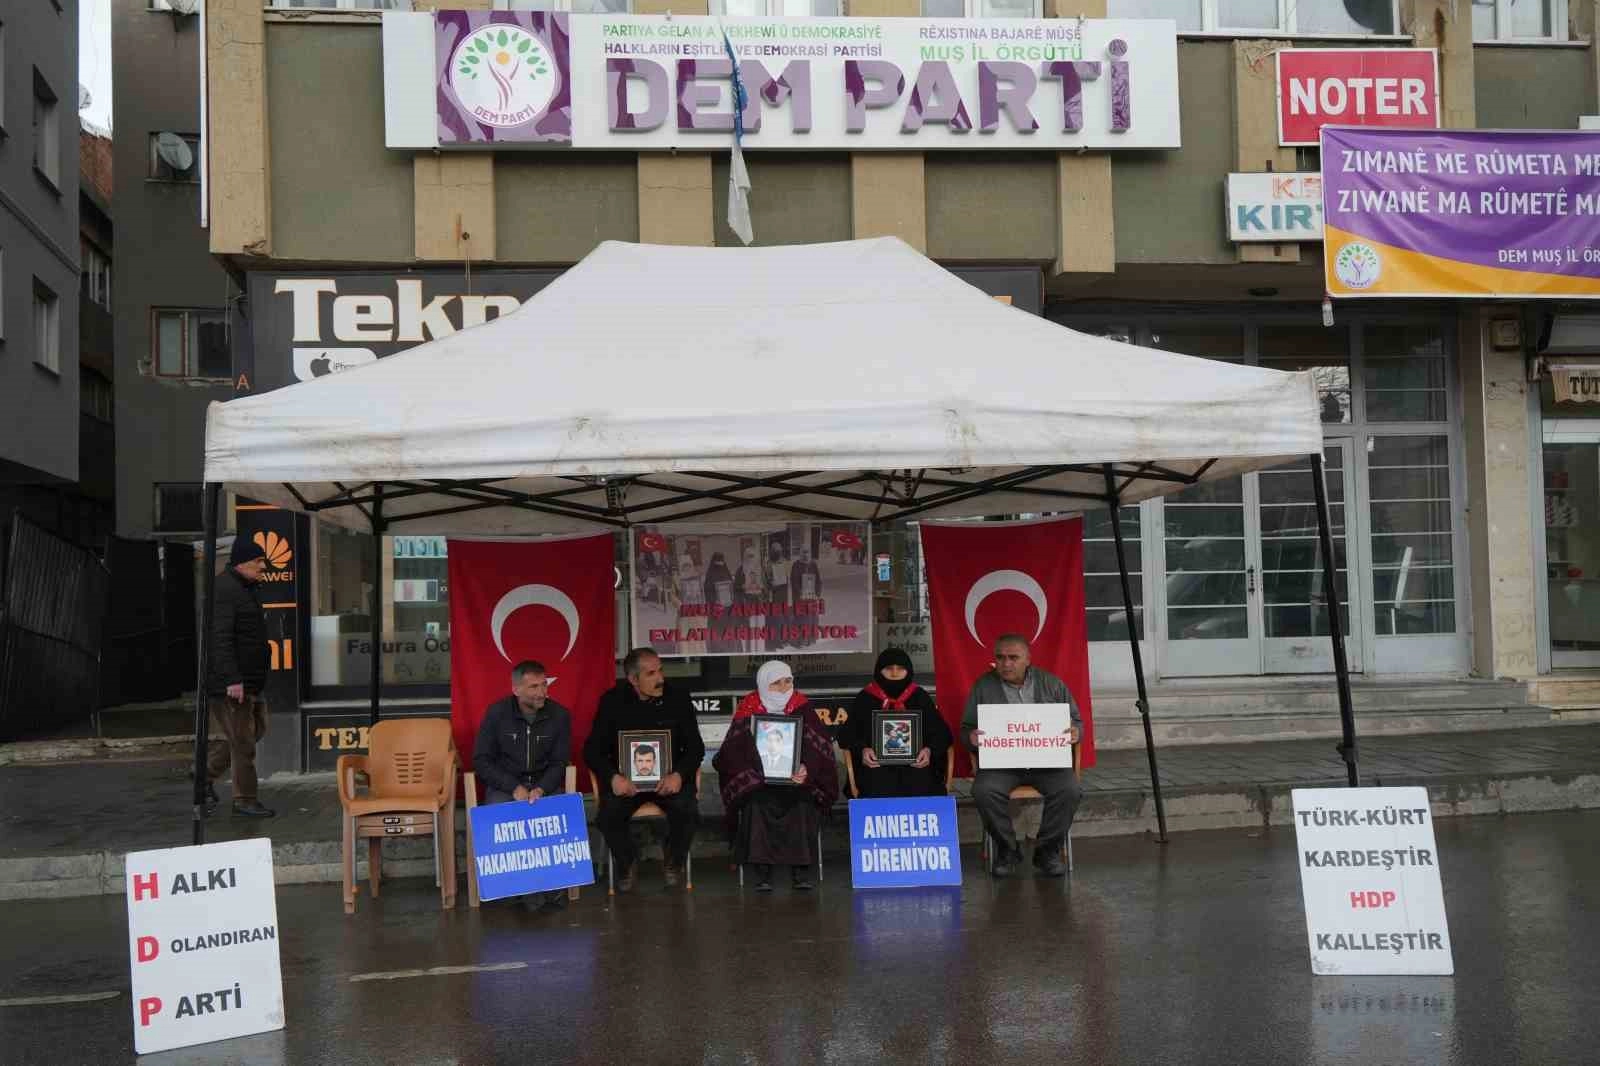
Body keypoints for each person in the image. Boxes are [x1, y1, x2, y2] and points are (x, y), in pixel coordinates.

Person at [584, 648, 706, 892]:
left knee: (688, 811)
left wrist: (679, 775)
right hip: (627, 783)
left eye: (660, 670)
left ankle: (674, 859)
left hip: (669, 781)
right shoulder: (612, 701)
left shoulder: (678, 698)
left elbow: (696, 748)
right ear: (633, 679)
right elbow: (592, 751)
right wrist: (613, 778)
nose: (660, 678)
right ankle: (627, 861)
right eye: (651, 673)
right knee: (608, 816)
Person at [961, 634, 1083, 879]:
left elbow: (1077, 721)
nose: (1006, 663)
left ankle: (1047, 852)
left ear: (1028, 659)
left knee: (1070, 790)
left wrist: (1075, 732)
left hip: (1047, 762)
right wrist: (971, 737)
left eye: (1013, 658)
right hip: (1001, 765)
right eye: (1000, 657)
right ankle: (1008, 850)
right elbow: (966, 728)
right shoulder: (983, 686)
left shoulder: (1051, 684)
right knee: (983, 791)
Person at [713, 661, 838, 892]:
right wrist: (753, 771)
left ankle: (800, 872)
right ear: (763, 685)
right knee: (756, 803)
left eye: (788, 681)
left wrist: (807, 769)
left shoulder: (802, 706)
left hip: (796, 782)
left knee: (802, 802)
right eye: (776, 683)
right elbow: (730, 753)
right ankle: (763, 873)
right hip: (759, 782)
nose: (783, 688)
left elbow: (820, 749)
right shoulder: (748, 708)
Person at [472, 660, 573, 912]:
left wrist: (541, 788)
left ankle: (548, 888)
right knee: (500, 812)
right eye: (533, 687)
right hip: (506, 786)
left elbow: (560, 762)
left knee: (553, 813)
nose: (542, 692)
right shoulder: (497, 713)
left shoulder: (559, 715)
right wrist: (513, 787)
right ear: (516, 689)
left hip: (543, 785)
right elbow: (482, 760)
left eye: (544, 685)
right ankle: (518, 891)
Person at [205, 537, 275, 818]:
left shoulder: (246, 587)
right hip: (233, 683)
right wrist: (232, 679)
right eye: (259, 561)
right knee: (244, 742)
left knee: (255, 731)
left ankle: (203, 775)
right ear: (242, 563)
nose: (263, 566)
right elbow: (219, 639)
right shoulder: (224, 589)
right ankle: (244, 799)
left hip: (251, 680)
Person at [843, 649, 952, 799]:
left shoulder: (919, 696)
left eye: (900, 668)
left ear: (909, 671)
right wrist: (862, 750)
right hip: (876, 767)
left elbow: (942, 733)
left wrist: (929, 751)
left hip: (916, 765)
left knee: (923, 782)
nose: (894, 673)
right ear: (879, 670)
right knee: (876, 784)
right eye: (889, 668)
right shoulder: (866, 698)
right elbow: (847, 734)